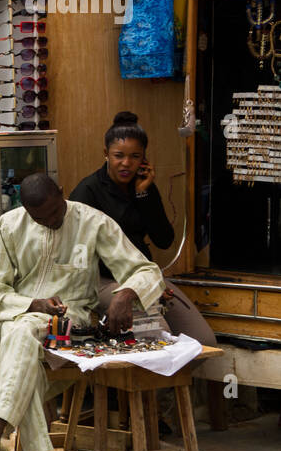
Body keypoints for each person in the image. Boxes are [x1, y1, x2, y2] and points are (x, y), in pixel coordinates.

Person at [0, 173, 165, 451]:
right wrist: (34, 304)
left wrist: (126, 293)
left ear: (63, 193)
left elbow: (146, 270)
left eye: (54, 214)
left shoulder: (92, 222)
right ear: (25, 211)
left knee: (21, 342)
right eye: (40, 219)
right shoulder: (8, 225)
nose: (50, 222)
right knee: (23, 341)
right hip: (20, 317)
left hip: (72, 323)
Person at [70, 111, 216, 345]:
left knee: (204, 341)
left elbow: (164, 240)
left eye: (135, 156)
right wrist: (130, 289)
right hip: (102, 280)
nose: (126, 163)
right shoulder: (88, 192)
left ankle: (172, 381)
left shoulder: (143, 186)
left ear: (144, 159)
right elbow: (76, 255)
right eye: (119, 156)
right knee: (156, 337)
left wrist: (143, 194)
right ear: (106, 154)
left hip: (143, 275)